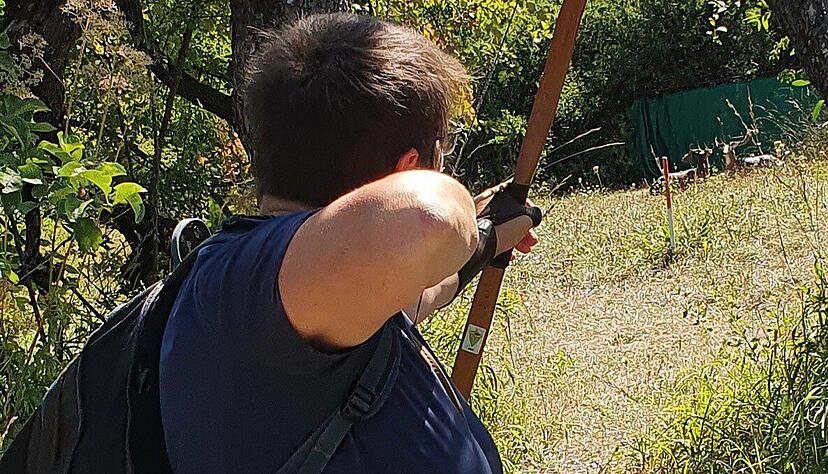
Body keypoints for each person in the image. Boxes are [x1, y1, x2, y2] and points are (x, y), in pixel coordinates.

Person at [158, 12, 541, 473]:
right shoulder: (248, 286)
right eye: (443, 152)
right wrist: (462, 222)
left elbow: (418, 296)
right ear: (409, 170)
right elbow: (429, 218)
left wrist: (490, 236)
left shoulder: (301, 294)